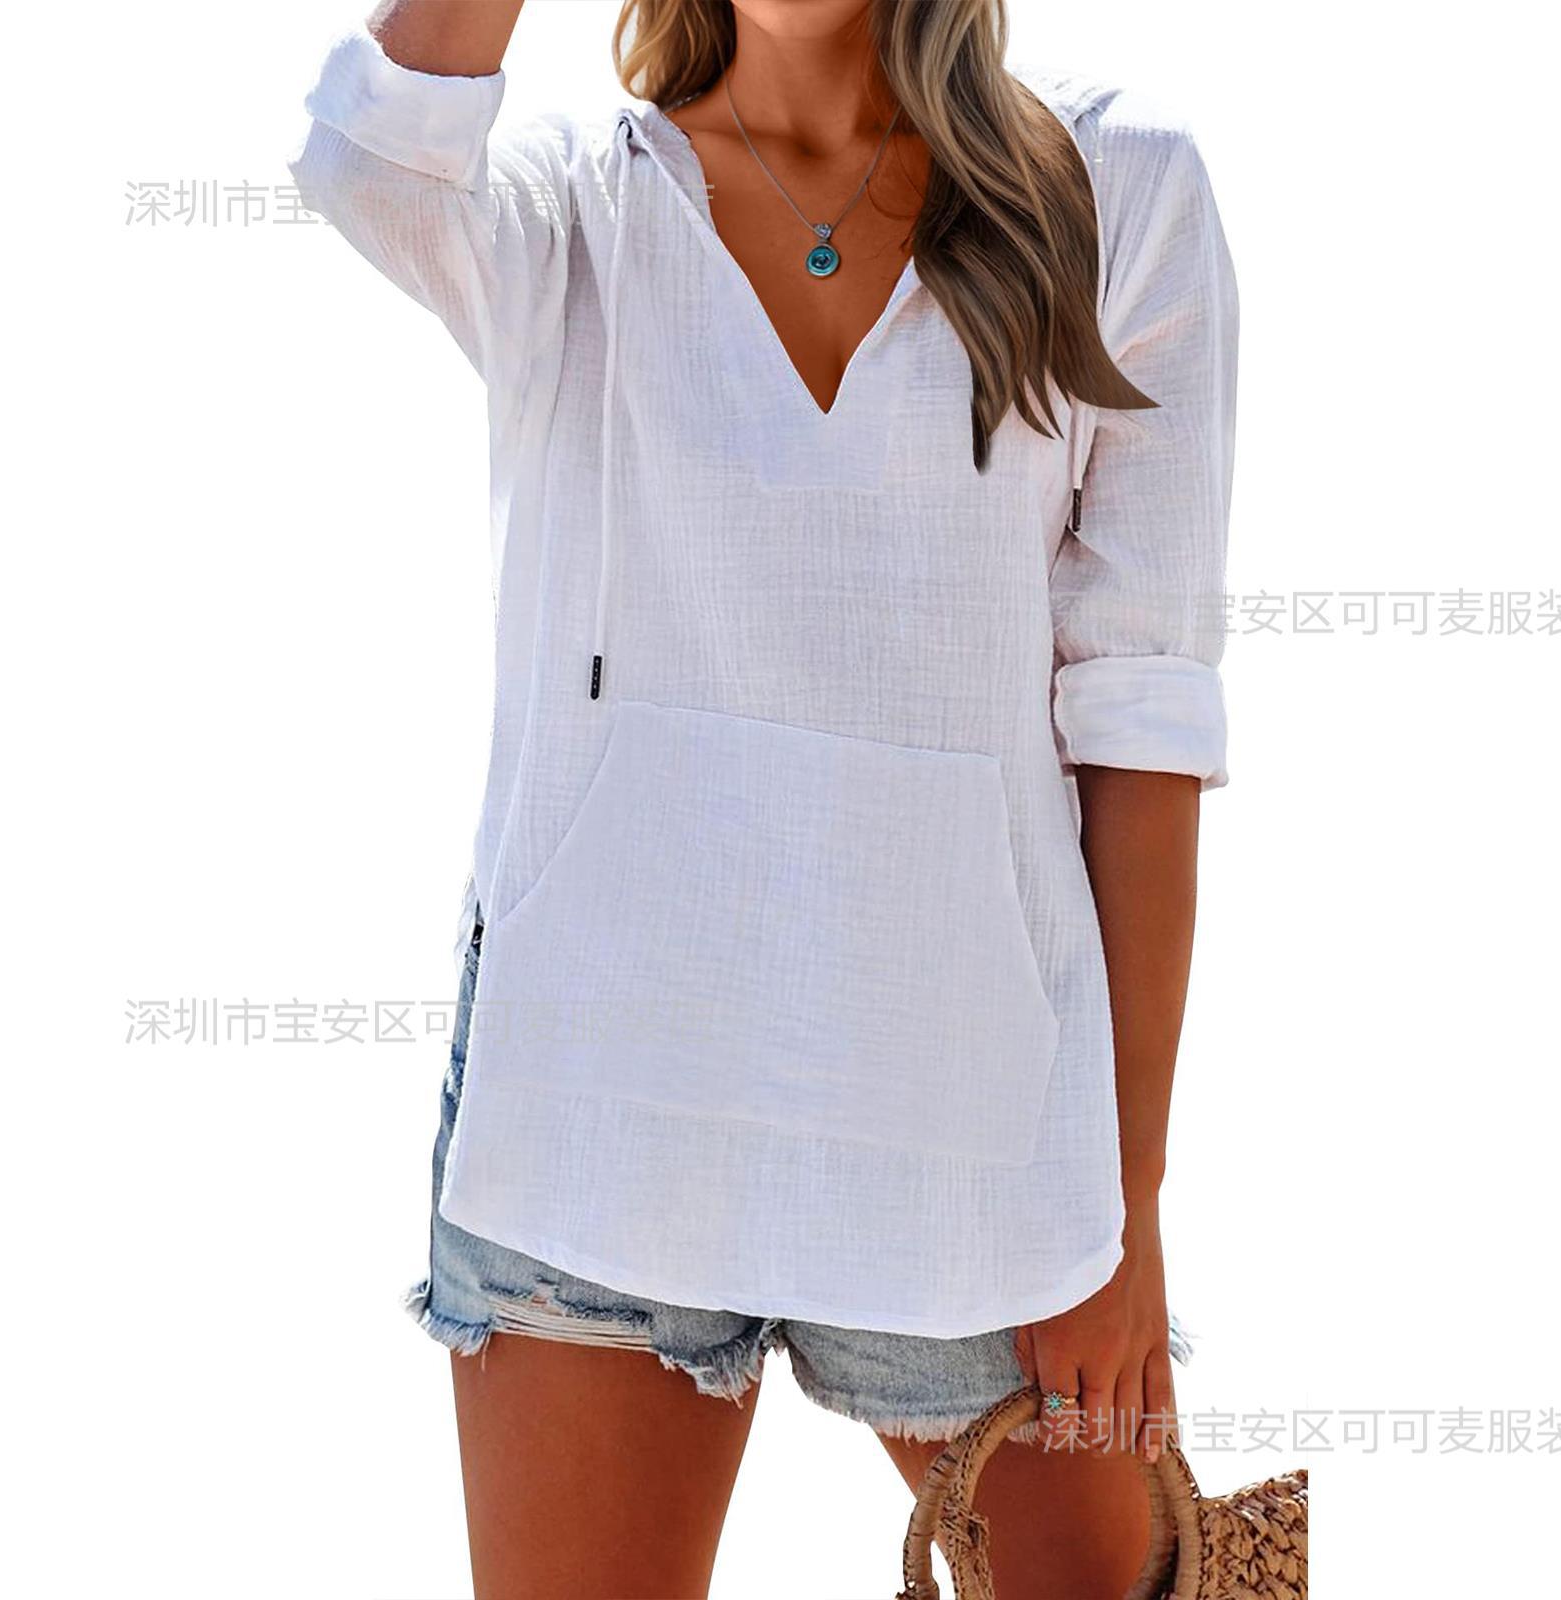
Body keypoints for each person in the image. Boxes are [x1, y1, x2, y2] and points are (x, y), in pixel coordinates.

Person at [287, 0, 1238, 1594]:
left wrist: (1127, 1209)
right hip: (600, 1119)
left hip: (979, 1138)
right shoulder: (571, 207)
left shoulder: (1116, 184)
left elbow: (1142, 715)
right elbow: (373, 148)